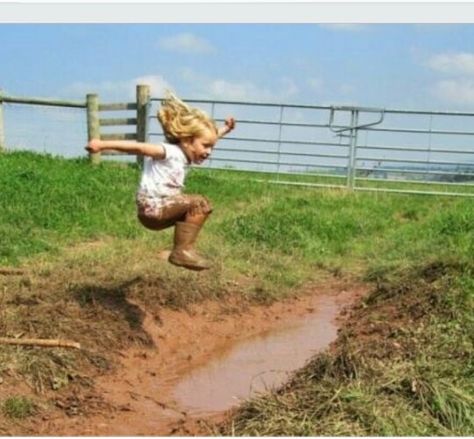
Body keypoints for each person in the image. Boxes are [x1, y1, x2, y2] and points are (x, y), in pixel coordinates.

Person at [86, 91, 236, 271]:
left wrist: (224, 130)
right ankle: (181, 251)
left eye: (212, 147)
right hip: (153, 208)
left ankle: (183, 250)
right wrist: (102, 145)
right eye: (205, 146)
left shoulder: (185, 151)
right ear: (187, 141)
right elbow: (139, 148)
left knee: (201, 207)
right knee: (199, 203)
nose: (209, 152)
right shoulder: (168, 151)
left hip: (162, 211)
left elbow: (208, 138)